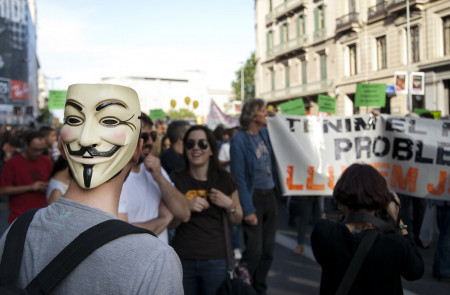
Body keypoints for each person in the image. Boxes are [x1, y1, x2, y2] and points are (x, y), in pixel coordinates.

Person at [0, 83, 183, 294]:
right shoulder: (155, 259)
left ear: (60, 146)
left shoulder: (17, 231)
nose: (87, 139)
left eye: (110, 121)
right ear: (138, 150)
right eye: (76, 120)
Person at [311, 163, 424, 294]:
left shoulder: (324, 233)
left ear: (340, 201)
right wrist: (398, 220)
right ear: (381, 203)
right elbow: (416, 271)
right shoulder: (396, 245)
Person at [171, 125, 243, 295]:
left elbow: (238, 218)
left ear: (211, 149)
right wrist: (185, 208)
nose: (196, 148)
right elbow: (169, 223)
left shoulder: (225, 179)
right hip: (182, 259)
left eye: (203, 144)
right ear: (185, 149)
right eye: (190, 144)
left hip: (216, 260)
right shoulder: (175, 179)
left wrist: (229, 205)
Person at [230, 98, 281, 295]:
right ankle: (242, 286)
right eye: (263, 110)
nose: (266, 113)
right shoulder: (239, 140)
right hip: (254, 198)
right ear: (253, 115)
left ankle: (260, 288)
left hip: (270, 197)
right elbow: (239, 178)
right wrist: (248, 209)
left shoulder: (265, 135)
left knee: (268, 252)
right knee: (254, 251)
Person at [119, 114, 190, 244]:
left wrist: (159, 177)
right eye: (145, 137)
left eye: (152, 136)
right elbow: (122, 234)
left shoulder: (155, 170)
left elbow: (184, 213)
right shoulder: (116, 178)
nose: (151, 142)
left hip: (160, 262)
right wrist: (164, 219)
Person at [0, 130, 52, 223]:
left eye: (42, 150)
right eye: (35, 149)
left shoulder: (46, 161)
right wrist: (30, 187)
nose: (39, 153)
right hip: (19, 218)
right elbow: (3, 190)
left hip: (41, 216)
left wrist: (47, 186)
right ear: (26, 145)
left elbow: (51, 181)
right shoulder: (12, 163)